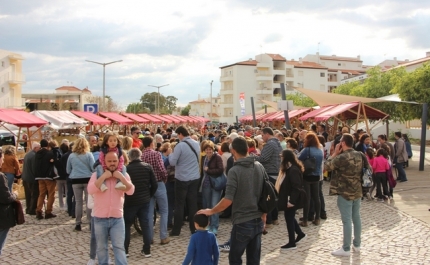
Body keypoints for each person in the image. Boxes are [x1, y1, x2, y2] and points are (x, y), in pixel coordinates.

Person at [198, 137, 265, 265]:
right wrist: (264, 215)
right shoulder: (259, 166)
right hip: (257, 220)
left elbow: (228, 199)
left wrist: (211, 211)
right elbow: (266, 194)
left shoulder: (235, 171)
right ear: (247, 149)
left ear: (233, 151)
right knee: (254, 260)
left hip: (242, 221)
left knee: (234, 259)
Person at [324, 133, 371, 257]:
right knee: (356, 217)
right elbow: (369, 168)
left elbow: (326, 167)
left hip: (345, 192)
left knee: (347, 220)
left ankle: (346, 248)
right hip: (357, 190)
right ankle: (357, 244)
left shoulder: (342, 157)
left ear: (343, 143)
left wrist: (334, 153)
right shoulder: (360, 154)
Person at [88, 152, 135, 265]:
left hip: (117, 218)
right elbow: (90, 190)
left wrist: (122, 178)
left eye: (114, 161)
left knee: (119, 247)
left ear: (118, 161)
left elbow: (131, 191)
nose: (112, 163)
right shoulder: (96, 175)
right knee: (101, 248)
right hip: (100, 218)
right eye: (109, 161)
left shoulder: (123, 175)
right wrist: (104, 176)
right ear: (104, 162)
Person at [124, 148, 158, 258]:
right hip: (144, 200)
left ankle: (125, 250)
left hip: (130, 200)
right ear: (140, 155)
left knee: (127, 225)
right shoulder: (147, 167)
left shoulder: (127, 169)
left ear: (130, 157)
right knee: (145, 225)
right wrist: (149, 195)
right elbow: (154, 184)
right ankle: (147, 250)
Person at [168, 126, 201, 236]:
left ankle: (176, 230)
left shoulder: (179, 146)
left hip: (182, 178)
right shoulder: (196, 143)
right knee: (192, 204)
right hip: (194, 177)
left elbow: (172, 162)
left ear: (181, 134)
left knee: (179, 204)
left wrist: (170, 154)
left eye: (178, 135)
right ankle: (194, 228)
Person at [141, 136, 170, 245]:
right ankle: (163, 236)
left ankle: (149, 237)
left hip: (148, 186)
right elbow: (162, 169)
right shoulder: (156, 154)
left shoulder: (142, 155)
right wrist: (164, 178)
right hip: (159, 183)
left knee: (149, 213)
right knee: (164, 210)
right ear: (152, 143)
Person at [275, 149, 306, 250]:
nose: (281, 158)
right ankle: (300, 233)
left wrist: (291, 201)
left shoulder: (293, 170)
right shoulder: (289, 168)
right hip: (288, 198)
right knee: (290, 217)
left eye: (282, 156)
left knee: (289, 218)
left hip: (292, 199)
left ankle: (292, 242)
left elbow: (296, 187)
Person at [254, 127, 282, 227]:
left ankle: (269, 221)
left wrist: (252, 156)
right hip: (276, 172)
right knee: (274, 197)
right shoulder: (278, 143)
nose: (262, 137)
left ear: (267, 134)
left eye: (262, 135)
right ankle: (275, 218)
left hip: (270, 173)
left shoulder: (270, 144)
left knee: (268, 197)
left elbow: (263, 158)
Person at [66, 138, 95, 231]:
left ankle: (78, 223)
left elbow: (68, 170)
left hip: (75, 179)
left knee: (78, 202)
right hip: (87, 179)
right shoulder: (89, 155)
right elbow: (93, 168)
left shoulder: (71, 156)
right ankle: (90, 222)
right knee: (88, 201)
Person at [298, 133, 323, 226]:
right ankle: (317, 218)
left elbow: (299, 158)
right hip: (317, 175)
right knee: (316, 198)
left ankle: (305, 220)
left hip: (307, 175)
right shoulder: (319, 150)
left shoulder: (306, 150)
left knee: (307, 198)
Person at [200, 141, 224, 235]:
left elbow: (220, 170)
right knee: (208, 205)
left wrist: (209, 170)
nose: (208, 151)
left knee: (214, 205)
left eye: (210, 149)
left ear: (212, 149)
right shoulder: (204, 158)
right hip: (206, 184)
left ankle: (215, 226)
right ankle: (209, 224)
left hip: (215, 185)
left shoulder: (217, 157)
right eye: (206, 149)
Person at [34, 139, 58, 220]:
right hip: (48, 176)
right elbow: (54, 161)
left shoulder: (37, 154)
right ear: (47, 145)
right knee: (51, 194)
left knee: (41, 194)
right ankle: (48, 212)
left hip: (39, 177)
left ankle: (39, 211)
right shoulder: (49, 153)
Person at [0, 148, 17, 256]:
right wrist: (14, 195)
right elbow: (6, 198)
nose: (2, 161)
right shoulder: (0, 176)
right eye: (1, 158)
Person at [22, 142, 40, 215]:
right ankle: (32, 209)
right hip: (31, 178)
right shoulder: (34, 156)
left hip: (25, 177)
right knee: (34, 194)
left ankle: (28, 208)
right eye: (39, 147)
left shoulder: (27, 154)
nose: (40, 149)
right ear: (35, 148)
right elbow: (34, 168)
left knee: (28, 195)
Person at [56, 143, 69, 211]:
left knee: (60, 192)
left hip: (58, 176)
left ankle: (61, 205)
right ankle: (66, 205)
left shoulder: (58, 156)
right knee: (66, 191)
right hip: (65, 176)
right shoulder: (67, 156)